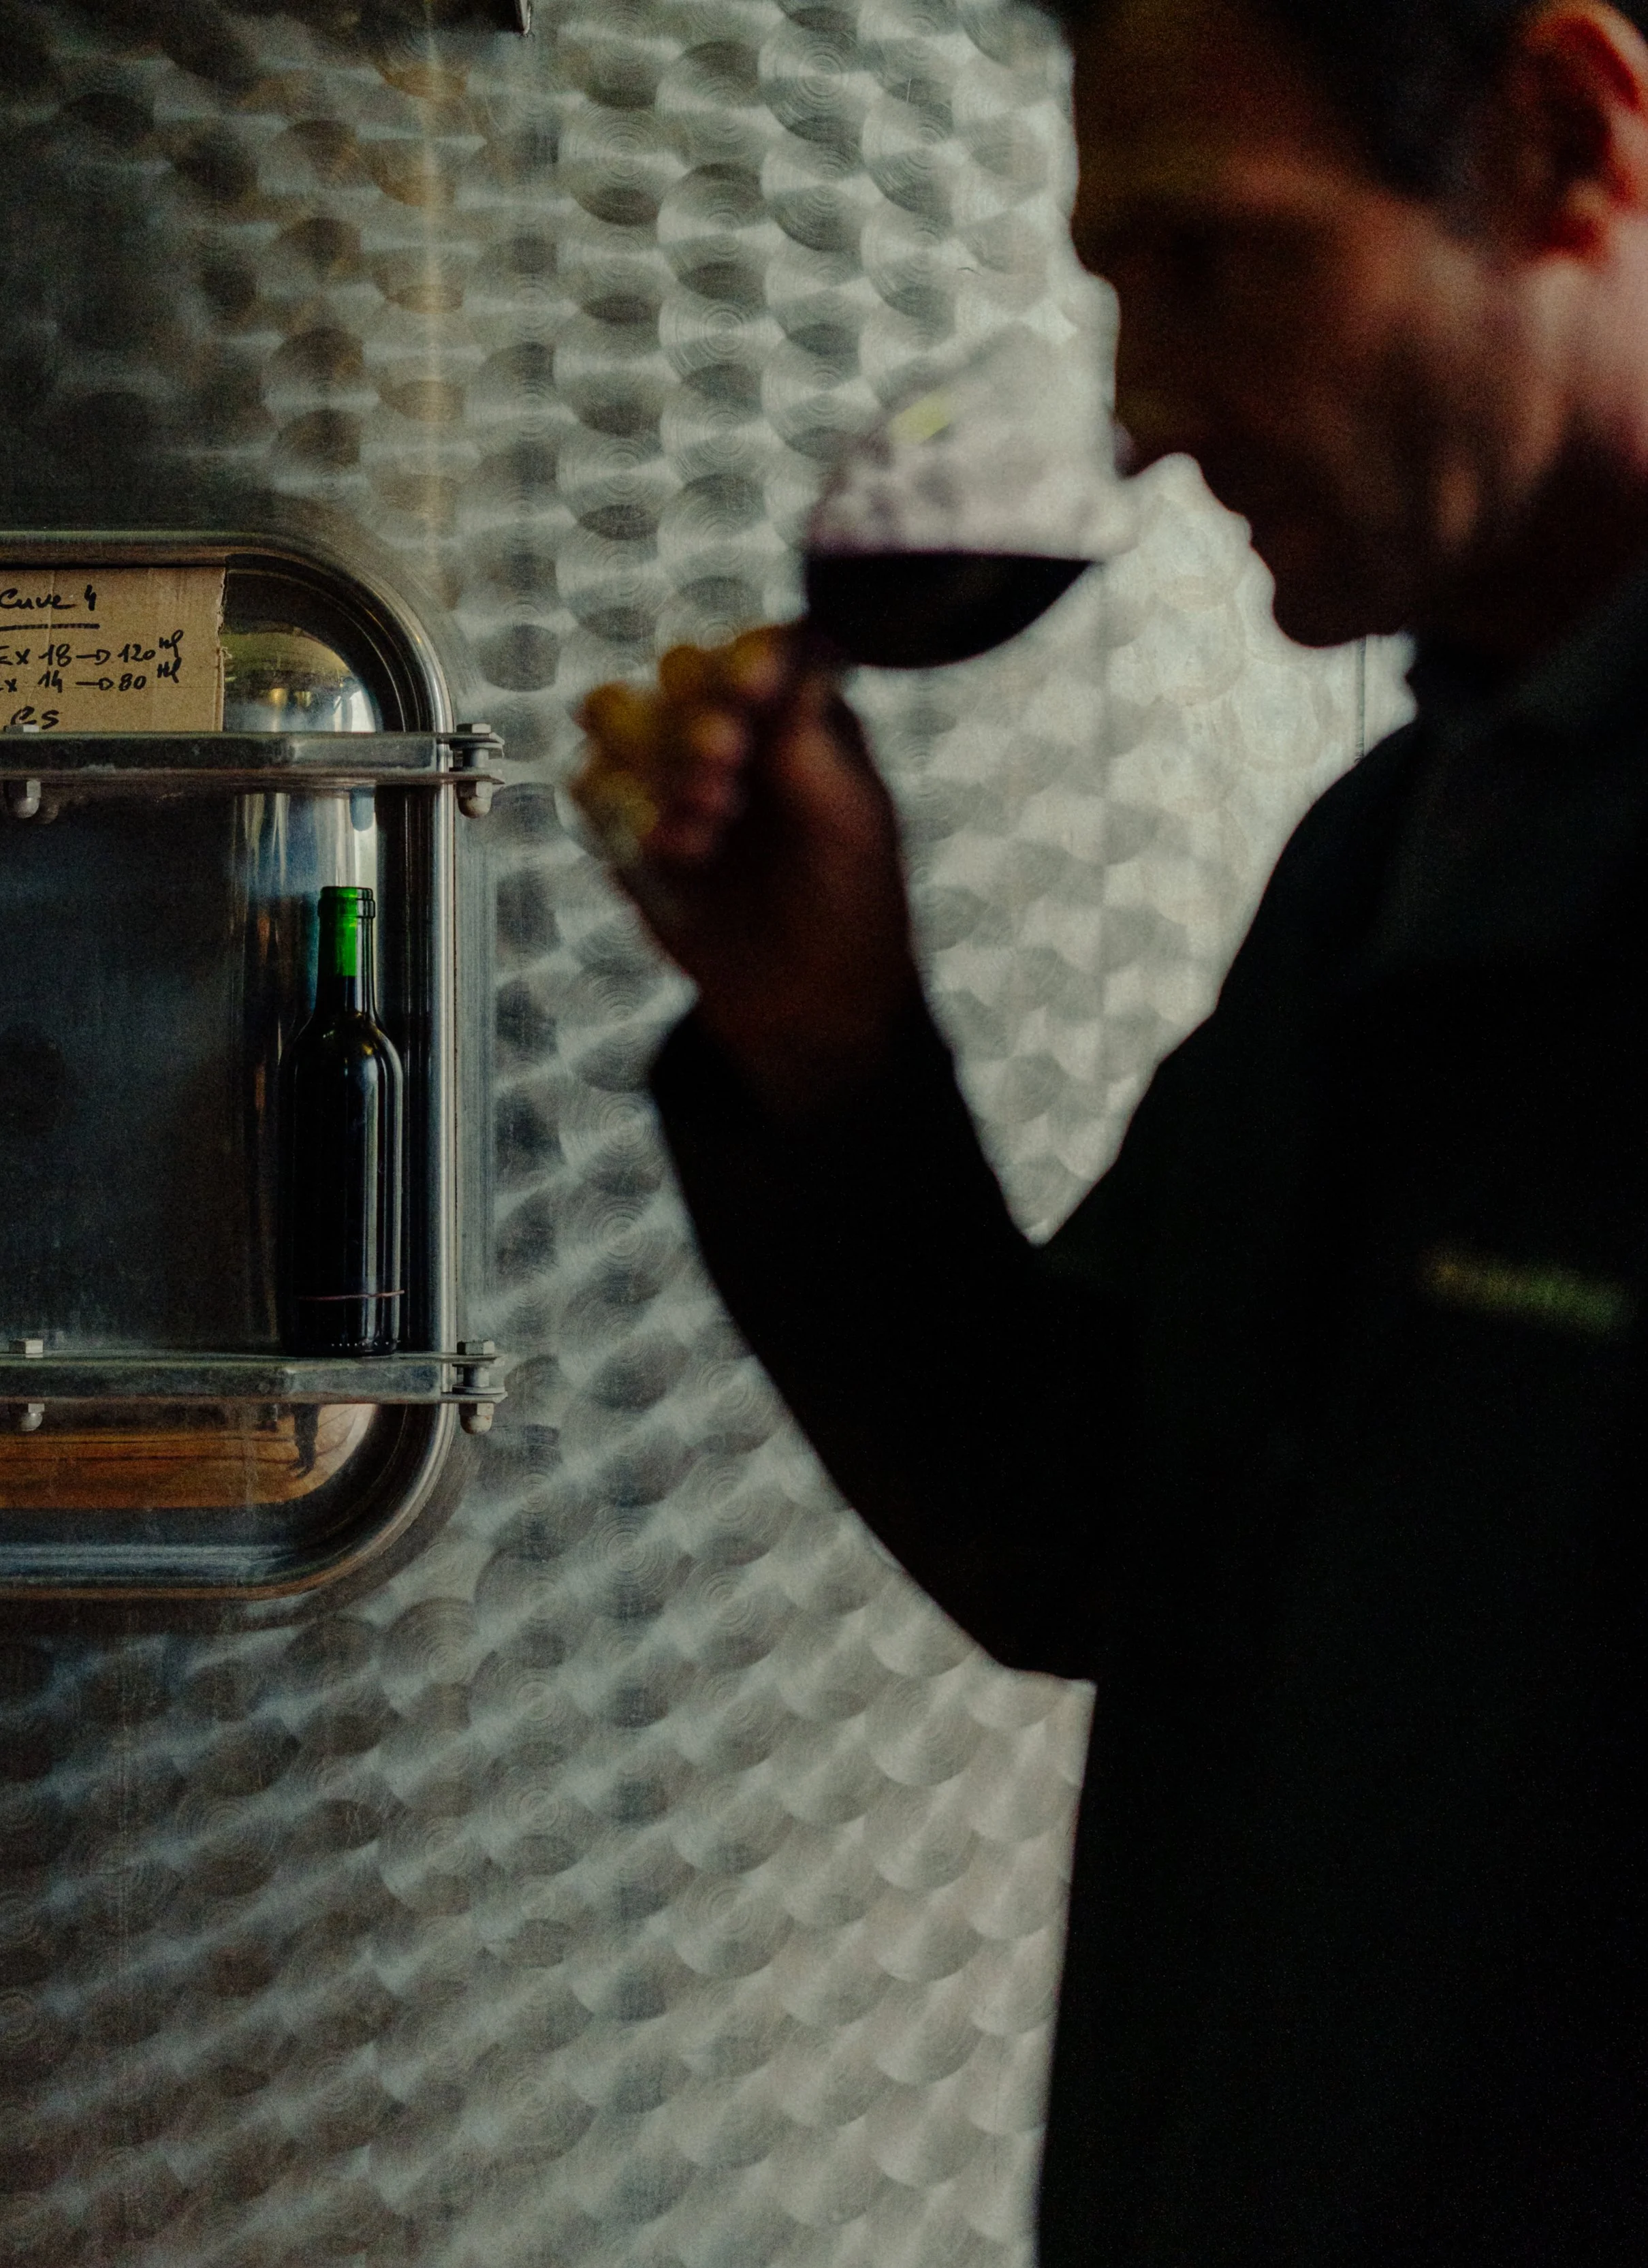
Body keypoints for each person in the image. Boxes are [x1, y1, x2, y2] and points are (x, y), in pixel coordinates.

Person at [573, 1, 1648, 2258]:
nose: (1145, 420)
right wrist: (832, 1061)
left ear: (1564, 141)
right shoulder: (1397, 861)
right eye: (1110, 287)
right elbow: (1091, 1531)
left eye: (1212, 263)